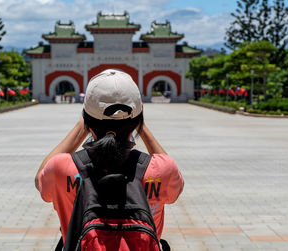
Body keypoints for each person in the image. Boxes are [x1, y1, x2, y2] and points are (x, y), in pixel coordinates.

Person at [35, 69, 184, 246]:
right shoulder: (160, 169)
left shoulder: (63, 167)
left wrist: (86, 120)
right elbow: (174, 184)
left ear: (88, 120)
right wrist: (140, 123)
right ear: (137, 119)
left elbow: (40, 180)